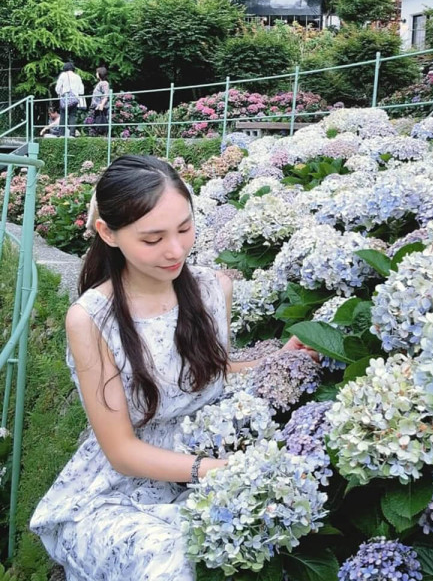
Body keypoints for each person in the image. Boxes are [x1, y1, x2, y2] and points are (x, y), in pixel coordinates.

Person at [30, 155, 317, 580]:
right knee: (175, 565)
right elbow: (122, 452)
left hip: (203, 464)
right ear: (108, 233)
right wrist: (212, 470)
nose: (176, 250)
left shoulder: (212, 288)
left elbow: (209, 376)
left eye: (184, 228)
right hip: (116, 491)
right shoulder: (91, 318)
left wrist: (280, 361)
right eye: (153, 239)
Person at [54, 61, 86, 130]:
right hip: (75, 99)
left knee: (63, 116)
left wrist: (59, 93)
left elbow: (57, 88)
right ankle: (72, 133)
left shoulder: (63, 75)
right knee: (72, 116)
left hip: (65, 98)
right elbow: (81, 90)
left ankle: (62, 133)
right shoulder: (77, 76)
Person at [90, 66, 112, 131]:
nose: (96, 74)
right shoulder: (100, 83)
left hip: (101, 107)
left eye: (97, 72)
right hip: (97, 106)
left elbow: (106, 95)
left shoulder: (104, 83)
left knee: (100, 123)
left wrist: (102, 104)